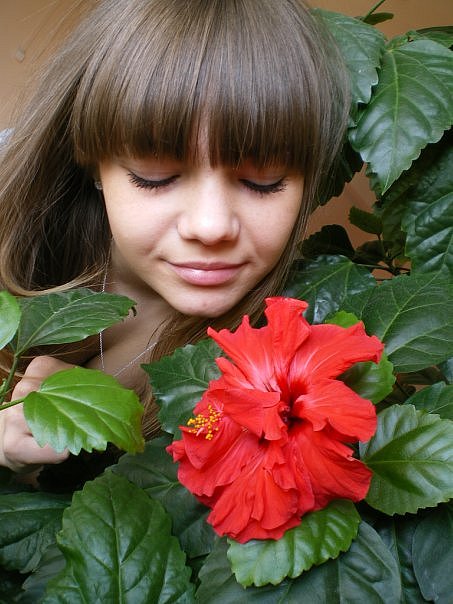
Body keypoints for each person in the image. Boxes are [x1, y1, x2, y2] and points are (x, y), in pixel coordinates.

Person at [0, 0, 349, 478]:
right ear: (91, 161)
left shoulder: (287, 361)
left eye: (263, 181)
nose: (210, 226)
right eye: (156, 176)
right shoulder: (16, 247)